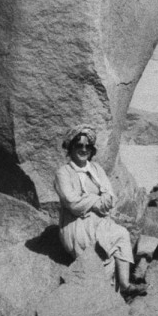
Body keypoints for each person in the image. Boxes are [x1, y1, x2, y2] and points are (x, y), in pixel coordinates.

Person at [54, 125, 144, 295]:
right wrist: (96, 200)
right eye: (79, 145)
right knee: (103, 250)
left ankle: (124, 285)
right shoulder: (63, 173)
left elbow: (110, 198)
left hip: (99, 221)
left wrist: (90, 201)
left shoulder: (96, 169)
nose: (83, 149)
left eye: (87, 146)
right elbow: (72, 203)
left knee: (122, 233)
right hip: (76, 225)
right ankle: (105, 297)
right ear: (71, 147)